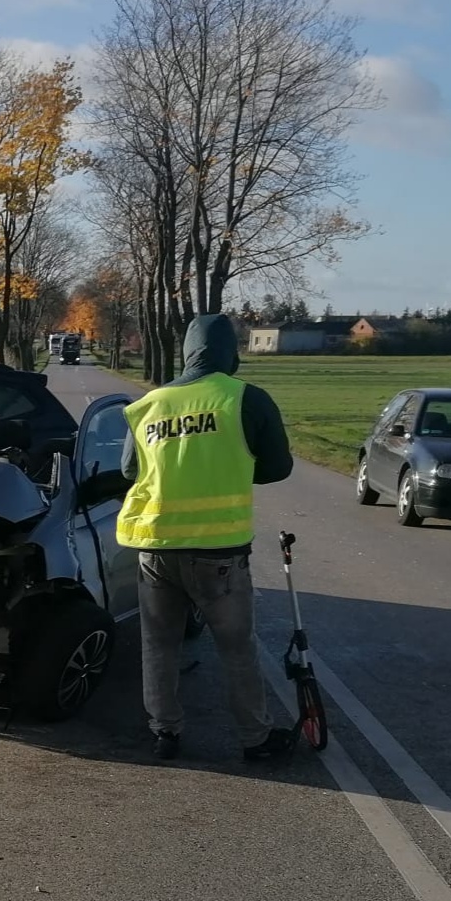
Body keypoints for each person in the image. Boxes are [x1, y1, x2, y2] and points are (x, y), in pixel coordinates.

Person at [117, 313, 295, 762]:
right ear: (230, 354)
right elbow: (277, 467)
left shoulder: (149, 404)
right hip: (219, 552)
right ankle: (255, 738)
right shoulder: (244, 399)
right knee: (236, 647)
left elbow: (128, 471)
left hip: (156, 548)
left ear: (187, 353)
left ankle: (165, 733)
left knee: (159, 645)